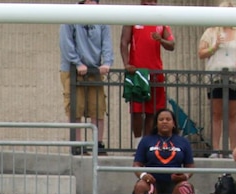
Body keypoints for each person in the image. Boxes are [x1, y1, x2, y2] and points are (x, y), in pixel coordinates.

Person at [130, 107, 198, 194]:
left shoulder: (183, 142)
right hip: (153, 185)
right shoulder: (146, 141)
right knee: (140, 186)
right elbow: (137, 164)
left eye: (168, 119)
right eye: (161, 119)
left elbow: (190, 166)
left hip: (174, 186)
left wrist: (184, 176)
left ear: (173, 123)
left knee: (186, 188)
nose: (164, 122)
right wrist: (144, 175)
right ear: (156, 123)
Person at [59, 0, 113, 154]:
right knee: (76, 107)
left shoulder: (102, 17)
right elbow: (66, 43)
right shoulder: (71, 16)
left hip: (94, 69)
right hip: (73, 70)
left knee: (98, 107)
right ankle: (77, 145)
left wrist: (107, 63)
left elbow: (107, 42)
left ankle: (98, 144)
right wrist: (77, 63)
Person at [198, 6, 236, 155]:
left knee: (232, 114)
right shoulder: (210, 32)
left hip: (234, 77)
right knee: (216, 113)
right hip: (215, 77)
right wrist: (214, 47)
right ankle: (215, 149)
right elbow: (201, 53)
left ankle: (234, 149)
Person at [120, 0, 175, 139]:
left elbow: (172, 44)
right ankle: (139, 144)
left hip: (156, 72)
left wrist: (161, 40)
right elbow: (123, 42)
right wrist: (126, 64)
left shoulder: (161, 20)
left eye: (153, 1)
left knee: (153, 112)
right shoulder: (132, 17)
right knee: (136, 111)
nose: (150, 3)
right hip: (137, 72)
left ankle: (147, 143)